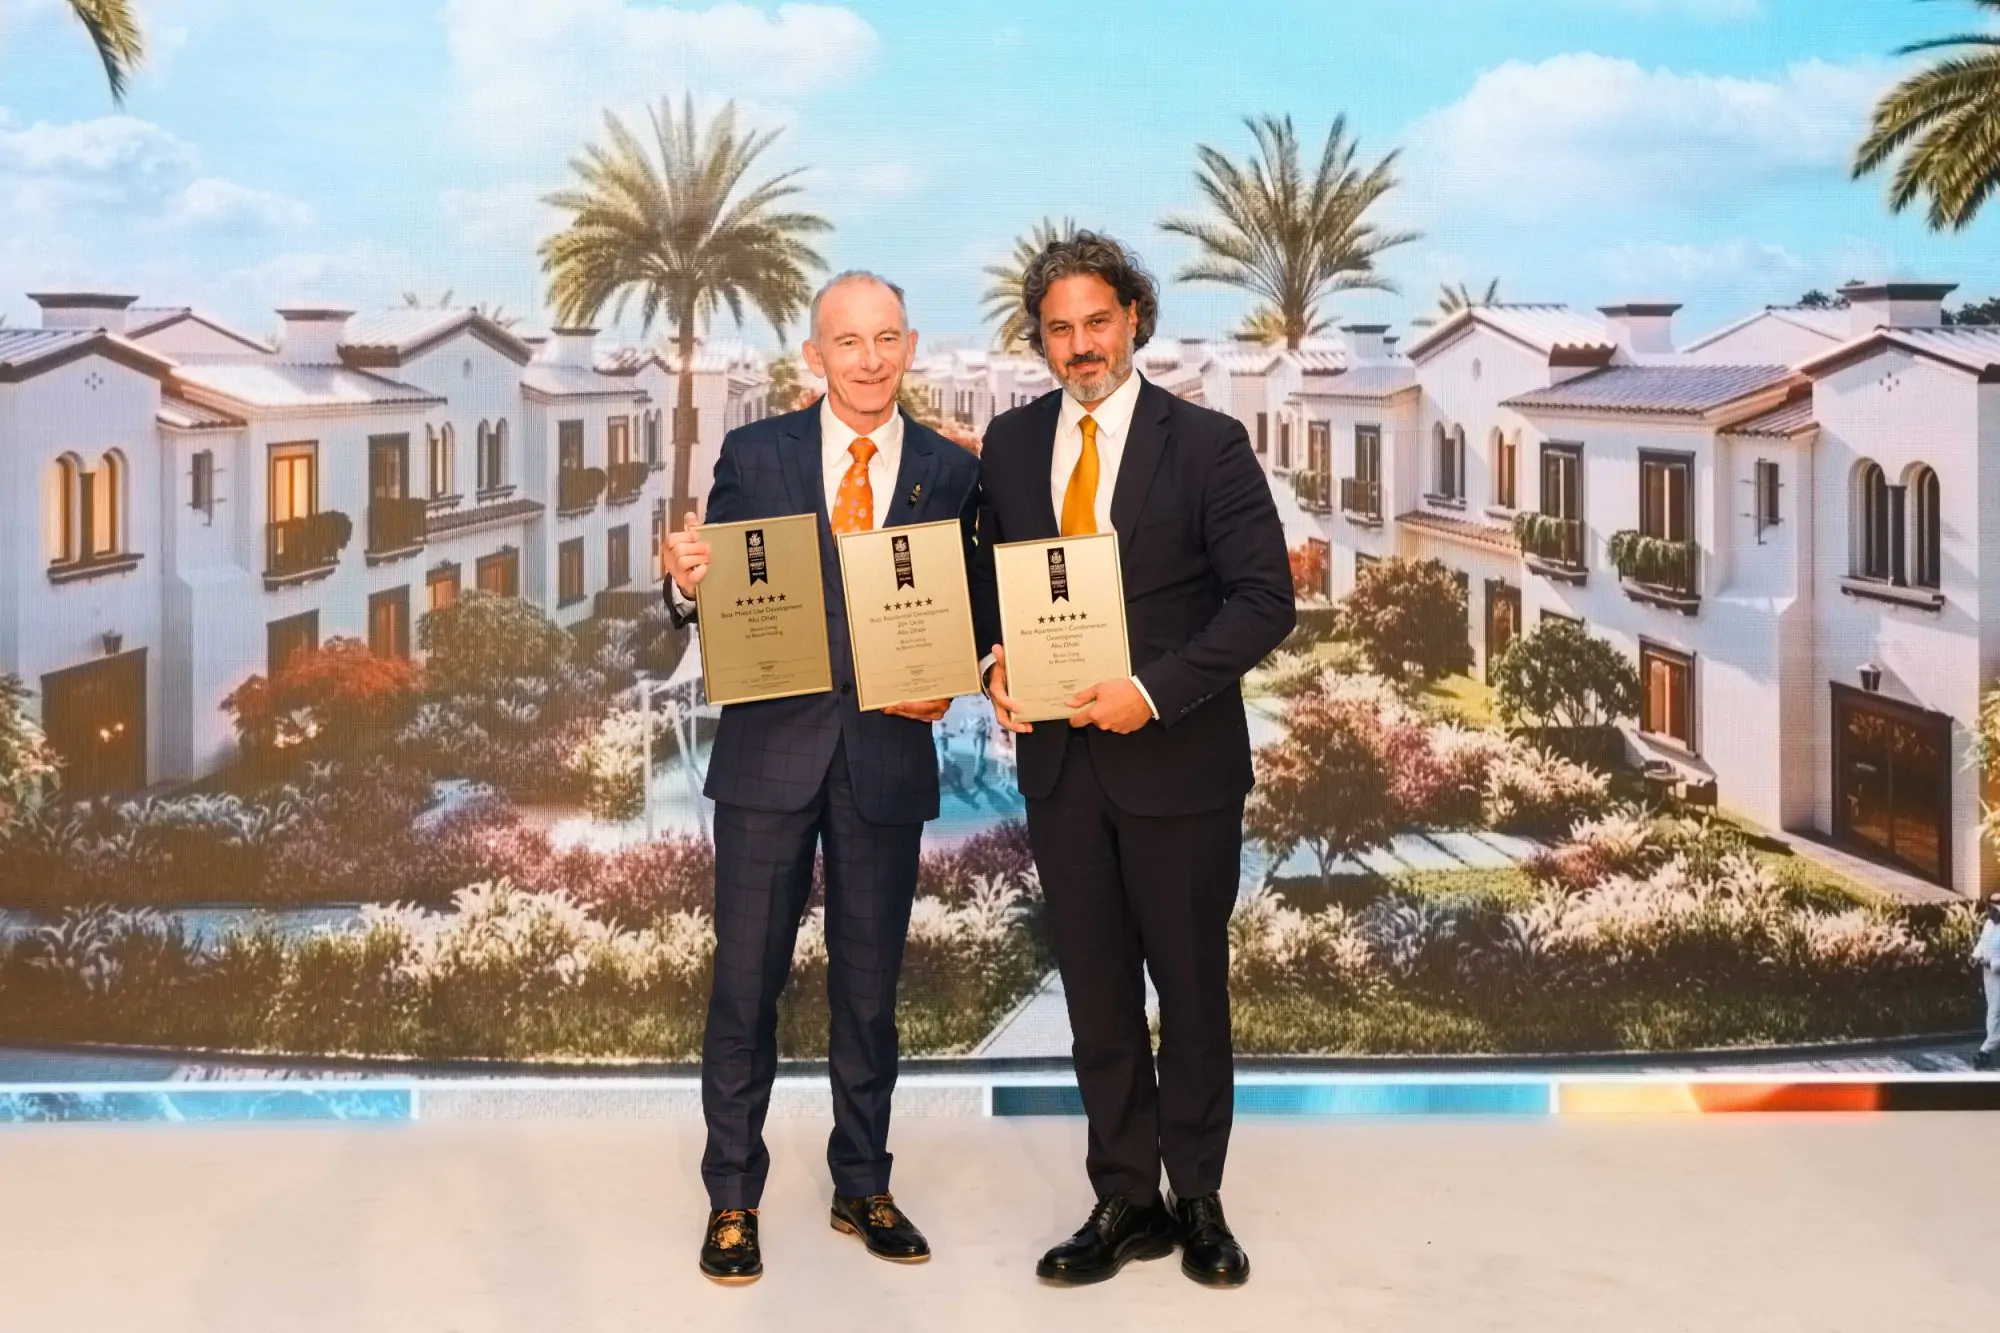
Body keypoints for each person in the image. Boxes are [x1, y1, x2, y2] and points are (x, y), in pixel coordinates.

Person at [968, 231, 1295, 1287]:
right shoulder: (1011, 444)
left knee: (1190, 994)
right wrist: (992, 659)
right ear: (1039, 340)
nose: (1080, 345)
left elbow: (1264, 601)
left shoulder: (1206, 444)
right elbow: (991, 587)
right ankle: (1125, 1198)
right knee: (1097, 997)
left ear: (1134, 320)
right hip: (1061, 774)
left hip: (1180, 769)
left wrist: (1149, 691)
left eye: (1096, 322)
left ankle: (1197, 1197)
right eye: (1058, 328)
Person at [661, 271, 982, 1284]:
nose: (870, 359)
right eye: (848, 341)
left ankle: (863, 1184)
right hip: (768, 757)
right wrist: (684, 585)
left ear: (910, 345)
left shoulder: (950, 469)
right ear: (815, 355)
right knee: (743, 988)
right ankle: (731, 1199)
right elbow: (709, 592)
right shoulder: (756, 455)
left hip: (884, 759)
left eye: (887, 338)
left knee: (869, 993)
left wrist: (956, 674)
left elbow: (971, 605)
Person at [1974, 897, 2000, 1071]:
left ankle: (1985, 1050)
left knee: (1995, 1013)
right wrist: (1975, 956)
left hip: (1998, 974)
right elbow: (1982, 943)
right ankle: (1990, 1049)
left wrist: (1991, 963)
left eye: (1991, 909)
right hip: (1989, 977)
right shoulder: (1988, 925)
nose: (1988, 912)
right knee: (1992, 1012)